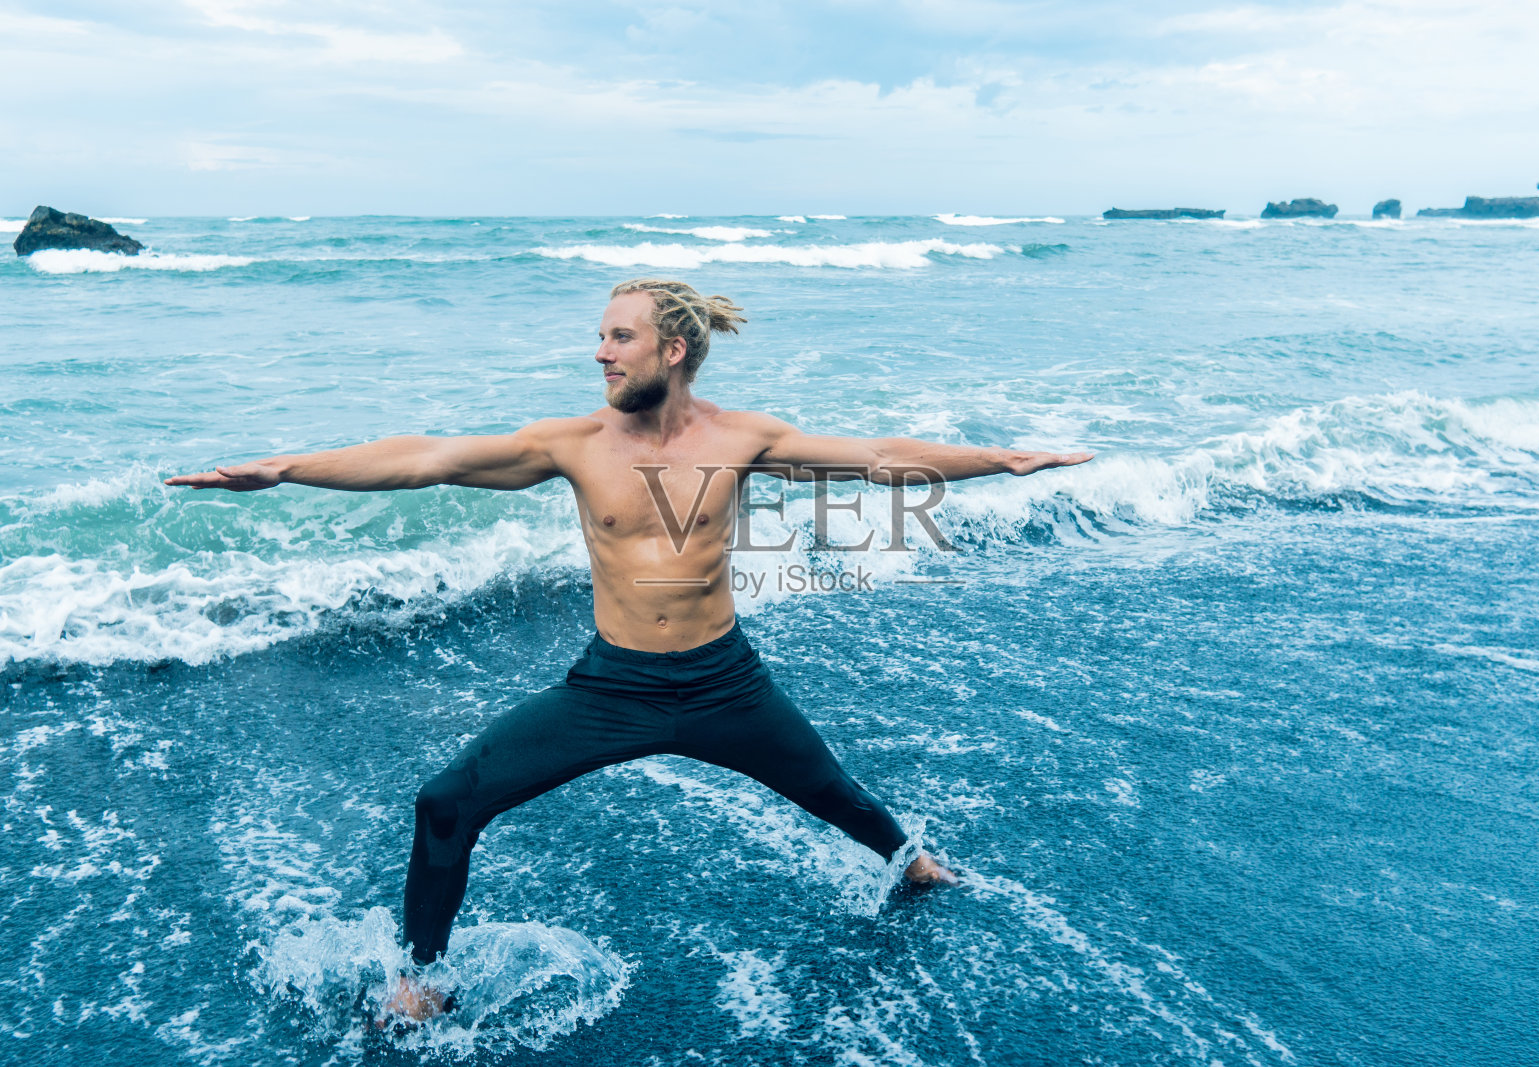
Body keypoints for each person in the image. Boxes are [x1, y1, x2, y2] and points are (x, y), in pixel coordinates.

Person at [165, 278, 1093, 1021]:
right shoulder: (571, 443)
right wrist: (287, 468)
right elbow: (426, 457)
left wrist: (1000, 459)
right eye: (601, 336)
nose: (599, 352)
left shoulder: (743, 438)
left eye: (619, 337)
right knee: (446, 801)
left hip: (726, 681)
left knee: (833, 791)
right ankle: (421, 975)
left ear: (672, 349)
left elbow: (877, 454)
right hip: (612, 687)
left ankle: (912, 862)